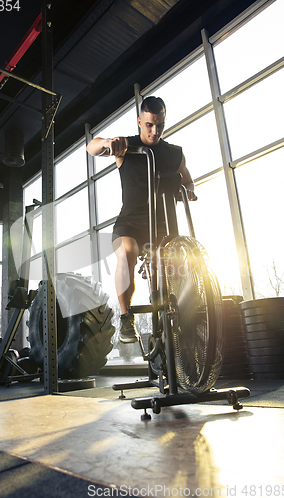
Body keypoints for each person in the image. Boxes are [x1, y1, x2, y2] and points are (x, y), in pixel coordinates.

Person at [86, 97, 196, 343]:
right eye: (149, 125)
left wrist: (189, 189)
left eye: (159, 125)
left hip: (163, 227)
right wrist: (108, 142)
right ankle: (126, 318)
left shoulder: (174, 154)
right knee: (127, 251)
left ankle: (178, 321)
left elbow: (188, 179)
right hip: (130, 225)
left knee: (177, 267)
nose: (154, 131)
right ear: (139, 122)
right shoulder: (125, 146)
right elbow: (91, 147)